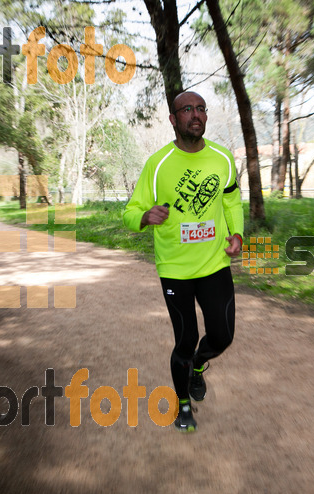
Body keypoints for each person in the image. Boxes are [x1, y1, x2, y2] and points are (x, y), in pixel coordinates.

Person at [123, 91, 244, 433]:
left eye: (201, 109)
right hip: (175, 269)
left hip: (214, 263)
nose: (196, 114)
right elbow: (129, 212)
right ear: (173, 119)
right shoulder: (158, 164)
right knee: (186, 338)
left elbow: (232, 201)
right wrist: (145, 216)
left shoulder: (221, 158)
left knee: (222, 336)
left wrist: (237, 234)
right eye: (187, 109)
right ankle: (183, 405)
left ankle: (198, 367)